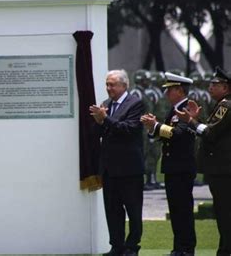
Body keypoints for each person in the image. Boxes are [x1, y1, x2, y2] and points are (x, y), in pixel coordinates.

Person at [176, 67, 231, 256]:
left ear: (225, 88)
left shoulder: (226, 105)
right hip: (222, 168)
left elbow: (210, 133)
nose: (210, 88)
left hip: (223, 169)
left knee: (224, 213)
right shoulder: (222, 104)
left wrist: (192, 121)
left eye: (214, 85)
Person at [89, 69, 145, 256]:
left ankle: (132, 247)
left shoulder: (135, 104)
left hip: (129, 169)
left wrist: (105, 119)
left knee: (133, 210)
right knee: (112, 210)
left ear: (124, 85)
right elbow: (97, 136)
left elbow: (128, 130)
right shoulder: (106, 105)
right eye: (107, 84)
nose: (108, 88)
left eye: (112, 84)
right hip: (109, 168)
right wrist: (98, 122)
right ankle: (116, 245)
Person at [141, 72, 196, 256]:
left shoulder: (188, 107)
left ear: (180, 91)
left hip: (182, 167)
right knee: (176, 210)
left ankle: (186, 249)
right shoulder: (174, 109)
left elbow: (178, 133)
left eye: (170, 90)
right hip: (173, 167)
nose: (166, 94)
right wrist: (152, 129)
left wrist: (156, 126)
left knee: (183, 210)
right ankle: (178, 248)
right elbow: (167, 133)